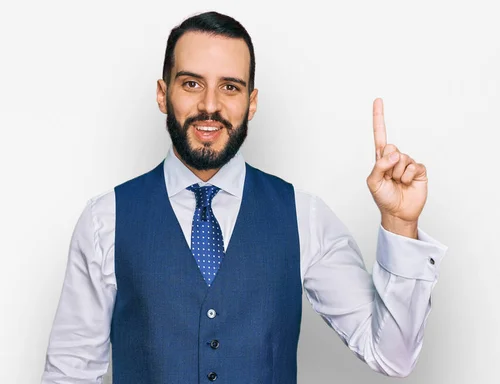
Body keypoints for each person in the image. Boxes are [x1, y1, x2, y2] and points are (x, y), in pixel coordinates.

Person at [41, 11, 447, 384]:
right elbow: (69, 374)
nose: (210, 105)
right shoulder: (105, 220)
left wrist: (400, 224)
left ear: (251, 102)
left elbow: (393, 357)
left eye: (230, 87)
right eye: (192, 83)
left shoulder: (303, 217)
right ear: (163, 94)